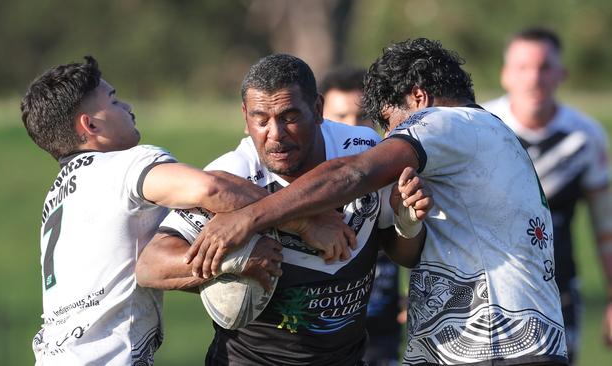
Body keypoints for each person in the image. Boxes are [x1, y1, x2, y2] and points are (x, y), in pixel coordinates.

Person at [186, 38, 570, 365]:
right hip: (516, 343)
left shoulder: (447, 123)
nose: (389, 137)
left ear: (418, 98)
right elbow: (407, 249)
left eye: (390, 123)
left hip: (492, 346)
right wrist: (406, 222)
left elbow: (351, 174)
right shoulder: (488, 133)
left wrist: (249, 217)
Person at [20, 56, 348, 365]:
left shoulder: (59, 195)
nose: (128, 107)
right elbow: (212, 189)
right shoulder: (121, 166)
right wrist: (306, 222)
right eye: (115, 101)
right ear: (90, 125)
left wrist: (224, 267)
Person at [136, 54, 432, 365]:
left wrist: (407, 223)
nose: (275, 134)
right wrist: (236, 261)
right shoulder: (234, 175)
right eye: (260, 119)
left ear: (317, 109)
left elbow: (405, 254)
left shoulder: (362, 149)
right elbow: (151, 265)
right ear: (245, 116)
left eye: (289, 117)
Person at [483, 27, 612, 363]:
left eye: (544, 67)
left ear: (561, 74)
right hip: (484, 292)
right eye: (523, 68)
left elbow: (606, 227)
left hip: (558, 289)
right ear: (505, 75)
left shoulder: (585, 137)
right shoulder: (479, 127)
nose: (534, 78)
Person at [321, 65, 405, 366]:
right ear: (320, 117)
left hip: (381, 342)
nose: (353, 128)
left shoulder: (397, 175)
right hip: (321, 341)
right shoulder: (302, 188)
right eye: (341, 117)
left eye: (362, 116)